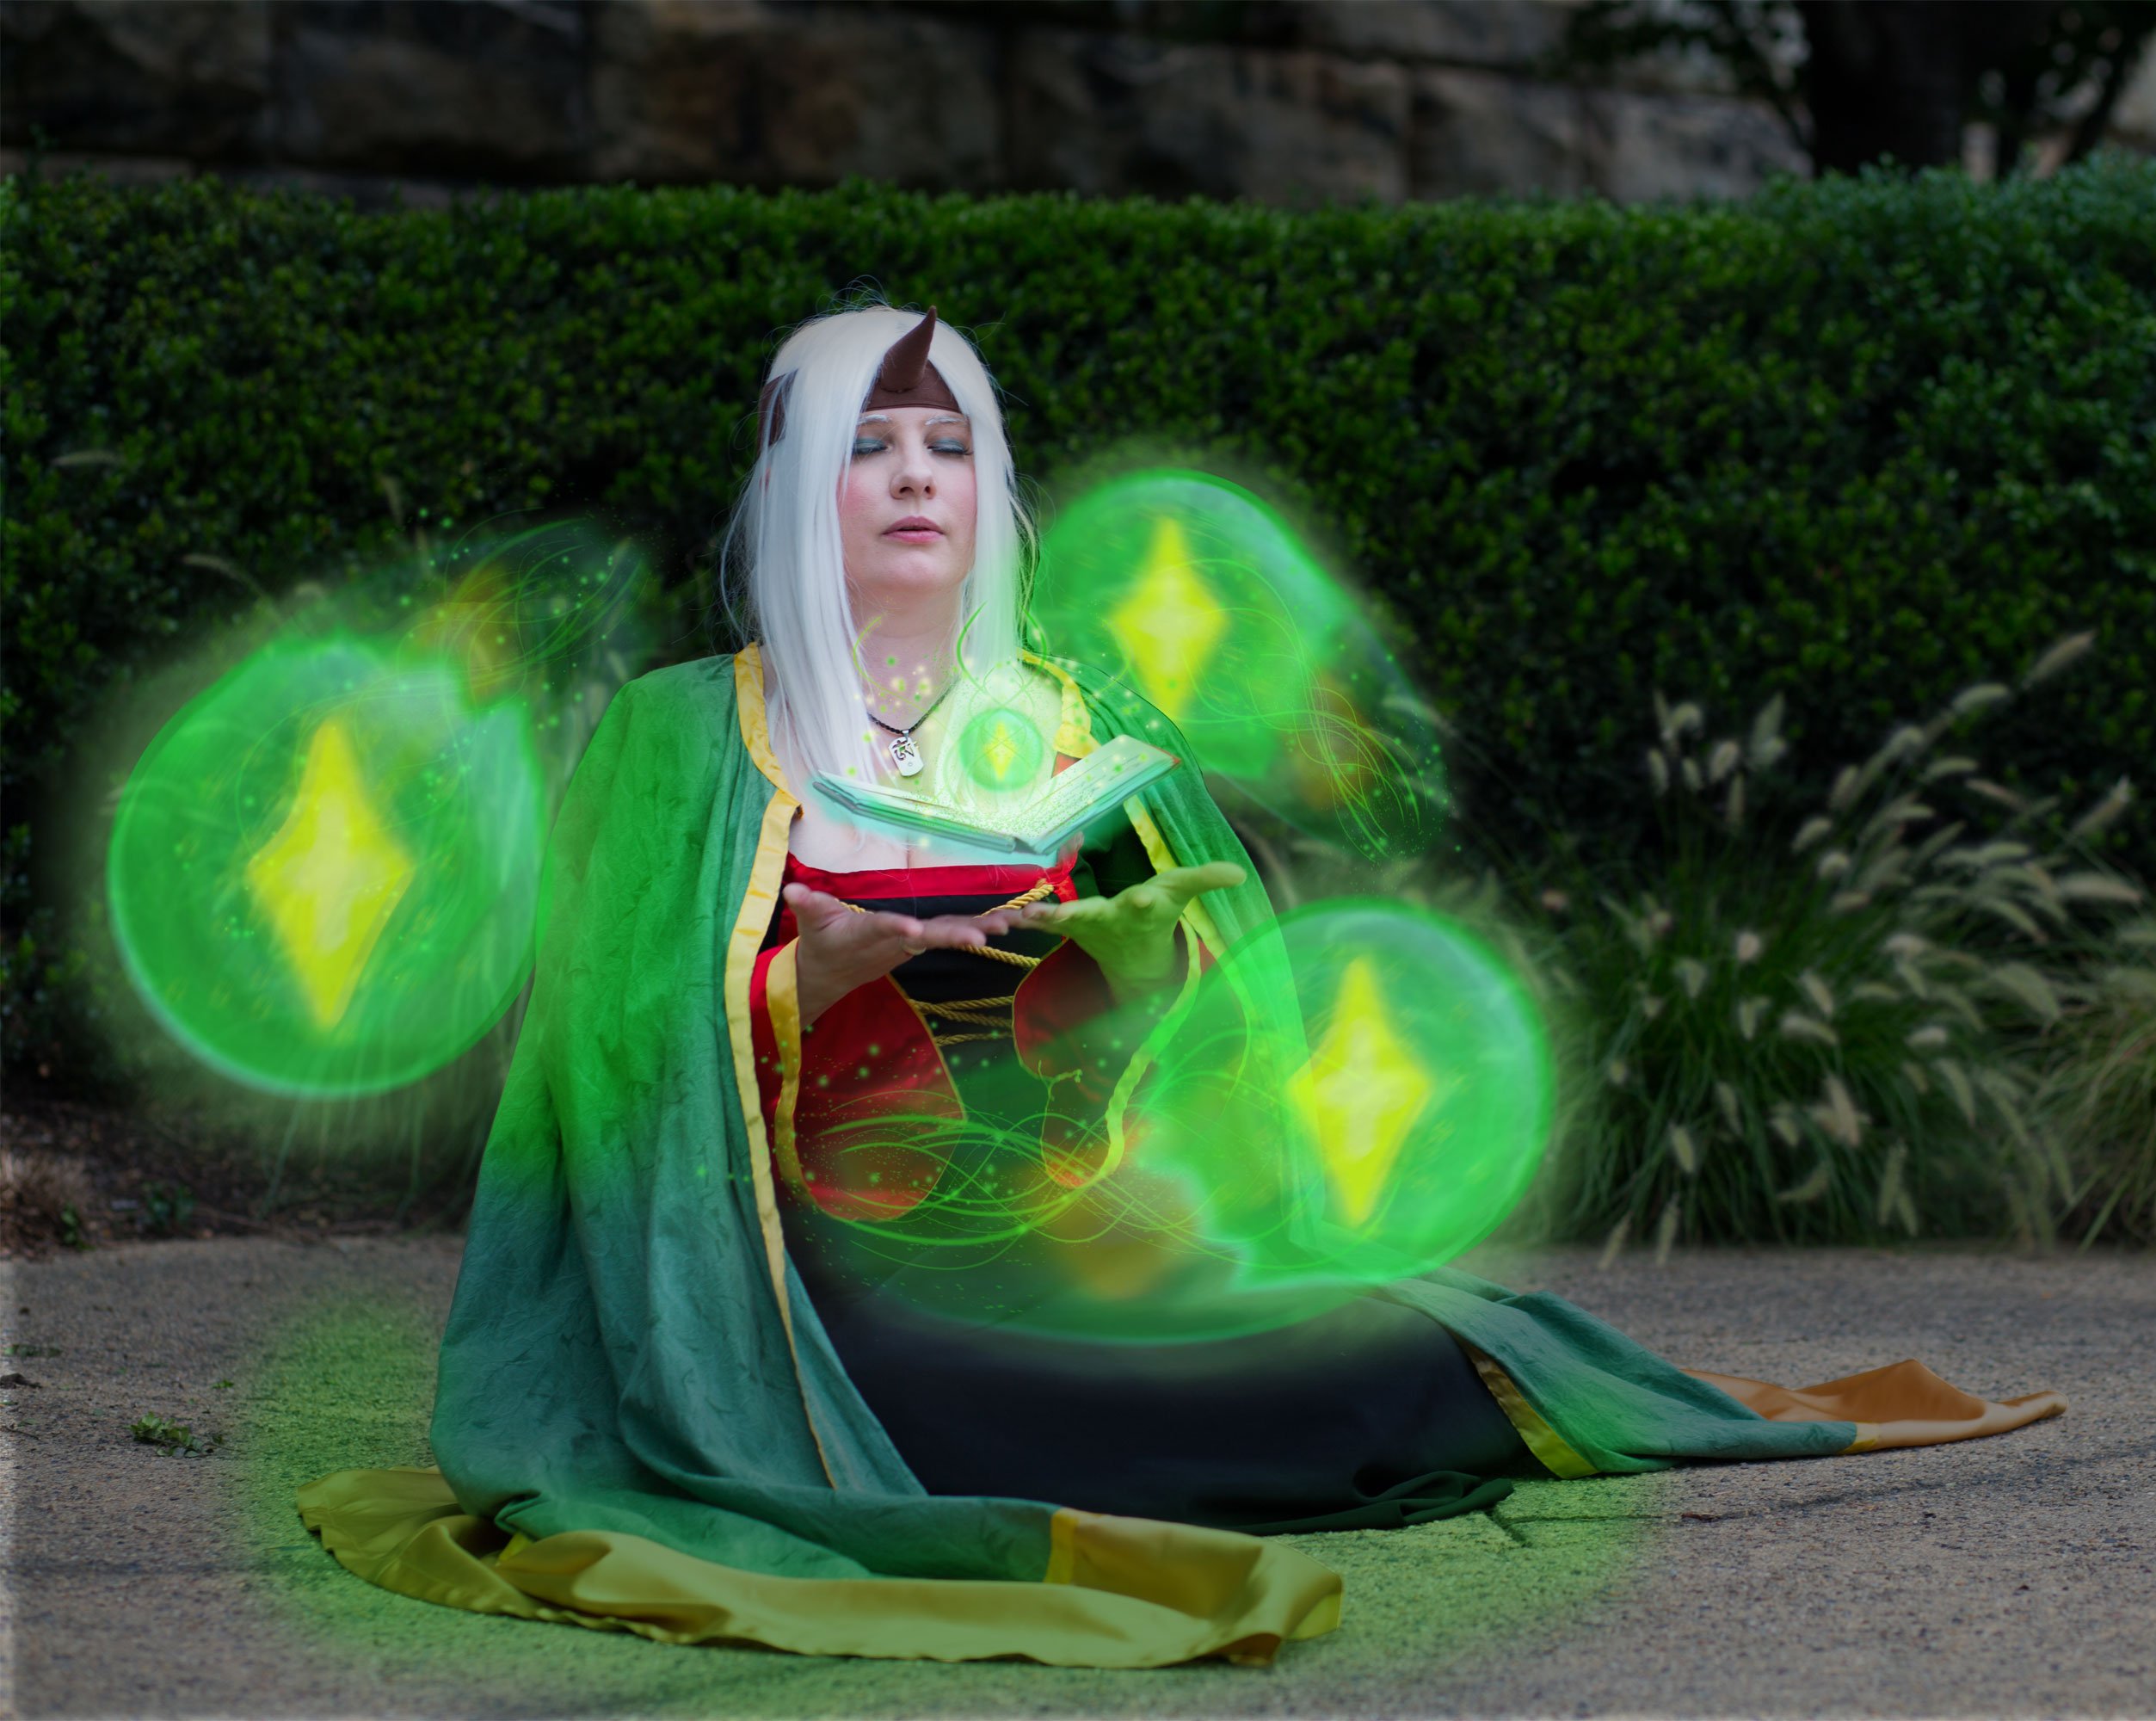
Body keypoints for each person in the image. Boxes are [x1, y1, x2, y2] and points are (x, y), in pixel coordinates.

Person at [299, 305, 2064, 1669]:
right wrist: (799, 983)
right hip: (822, 1264)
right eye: (867, 446)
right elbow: (606, 1071)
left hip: (1092, 1222)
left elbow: (1236, 1023)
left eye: (949, 445)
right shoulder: (685, 735)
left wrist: (1148, 969)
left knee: (1388, 1358)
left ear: (992, 489)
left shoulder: (1089, 720)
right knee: (937, 1409)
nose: (915, 479)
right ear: (793, 489)